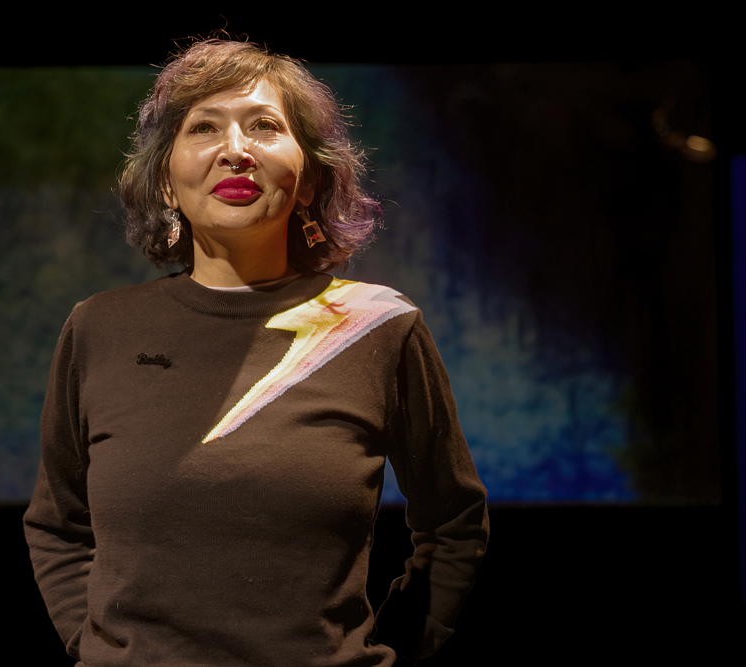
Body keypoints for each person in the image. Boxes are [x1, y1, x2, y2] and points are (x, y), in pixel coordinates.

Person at [24, 39, 489, 667]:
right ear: (165, 180)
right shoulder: (98, 327)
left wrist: (392, 653)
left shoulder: (378, 325)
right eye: (204, 128)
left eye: (265, 126)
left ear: (310, 179)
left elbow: (454, 522)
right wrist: (97, 647)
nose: (236, 150)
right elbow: (58, 526)